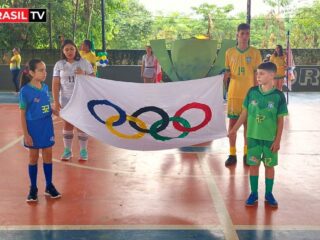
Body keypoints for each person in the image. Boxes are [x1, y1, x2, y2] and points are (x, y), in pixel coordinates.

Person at [228, 62, 288, 207]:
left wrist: (278, 140)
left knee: (269, 166)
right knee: (253, 166)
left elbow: (280, 121)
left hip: (270, 140)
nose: (258, 76)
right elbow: (244, 113)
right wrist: (234, 129)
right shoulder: (252, 92)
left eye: (262, 74)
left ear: (272, 75)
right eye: (257, 73)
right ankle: (254, 193)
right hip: (252, 138)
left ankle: (269, 193)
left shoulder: (278, 96)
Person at [19, 59, 61, 202]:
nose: (45, 73)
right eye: (41, 70)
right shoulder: (25, 91)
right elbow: (22, 115)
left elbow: (46, 106)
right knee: (33, 157)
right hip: (33, 128)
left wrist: (54, 111)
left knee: (48, 156)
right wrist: (26, 134)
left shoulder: (44, 87)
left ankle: (49, 186)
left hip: (46, 126)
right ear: (31, 73)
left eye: (45, 70)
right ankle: (33, 188)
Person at [224, 23, 262, 166]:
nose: (245, 36)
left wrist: (256, 93)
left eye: (247, 33)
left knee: (248, 125)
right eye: (242, 33)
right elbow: (227, 73)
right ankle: (232, 154)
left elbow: (257, 75)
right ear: (237, 35)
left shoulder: (255, 53)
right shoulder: (229, 52)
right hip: (234, 93)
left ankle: (247, 153)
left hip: (249, 94)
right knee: (233, 124)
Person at [52, 39, 94, 161]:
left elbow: (93, 79)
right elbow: (55, 84)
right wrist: (56, 101)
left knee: (81, 124)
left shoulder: (84, 62)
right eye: (66, 49)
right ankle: (67, 151)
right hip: (66, 100)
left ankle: (83, 151)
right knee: (67, 124)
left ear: (76, 49)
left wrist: (84, 74)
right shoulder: (59, 64)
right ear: (63, 51)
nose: (69, 51)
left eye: (71, 49)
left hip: (81, 99)